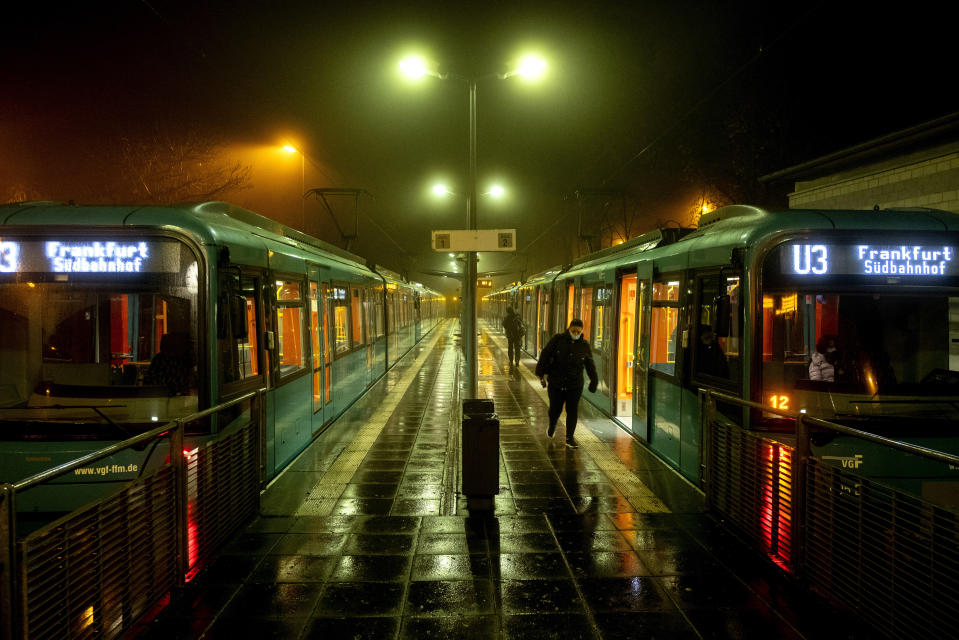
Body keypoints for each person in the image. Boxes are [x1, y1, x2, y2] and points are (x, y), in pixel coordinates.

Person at [535, 318, 599, 449]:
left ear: (582, 331)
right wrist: (540, 374)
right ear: (569, 329)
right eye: (573, 330)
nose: (575, 333)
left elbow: (590, 365)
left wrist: (594, 381)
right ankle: (552, 424)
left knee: (572, 411)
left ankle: (569, 438)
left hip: (574, 385)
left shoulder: (584, 345)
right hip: (556, 383)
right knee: (555, 409)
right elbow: (545, 355)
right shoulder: (557, 340)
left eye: (578, 331)